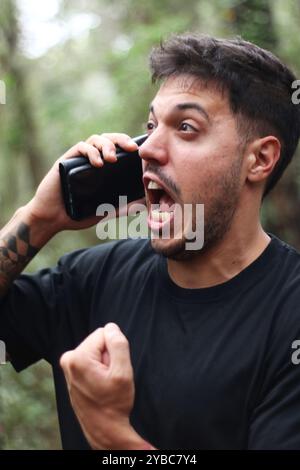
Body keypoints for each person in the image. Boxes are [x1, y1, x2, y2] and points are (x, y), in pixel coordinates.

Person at [1, 33, 300, 450]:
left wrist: (109, 432)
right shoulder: (91, 279)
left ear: (260, 159)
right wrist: (37, 218)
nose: (149, 149)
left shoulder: (289, 316)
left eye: (186, 127)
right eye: (150, 126)